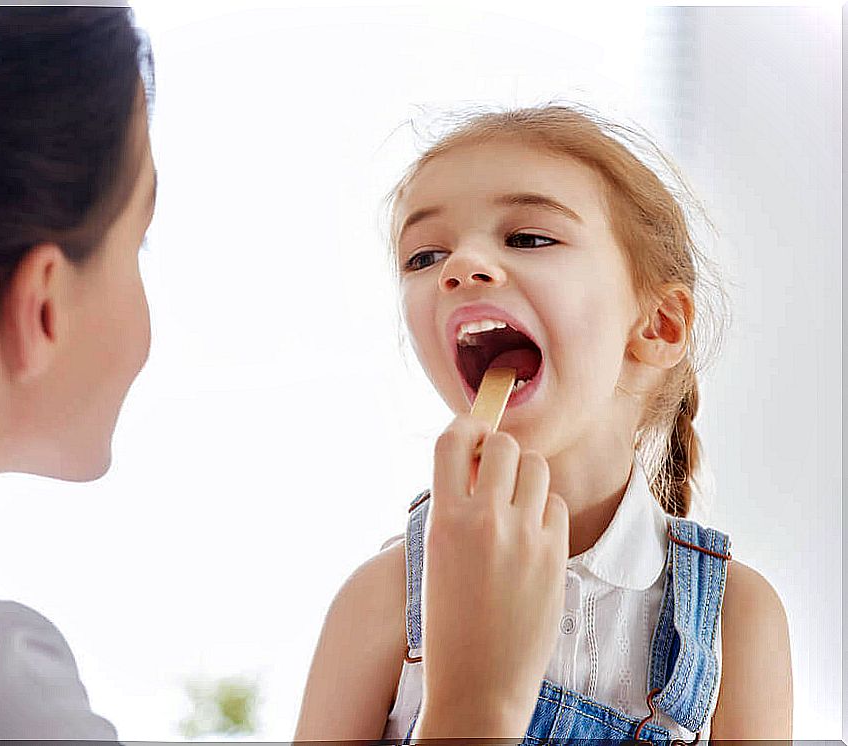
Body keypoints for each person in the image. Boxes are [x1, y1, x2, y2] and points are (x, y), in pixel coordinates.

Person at [0, 7, 557, 740]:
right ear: (43, 306)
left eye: (530, 238)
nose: (465, 270)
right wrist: (477, 707)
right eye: (137, 244)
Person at [294, 107, 794, 741]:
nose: (460, 266)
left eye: (528, 238)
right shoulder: (381, 600)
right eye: (424, 255)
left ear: (657, 325)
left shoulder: (736, 619)